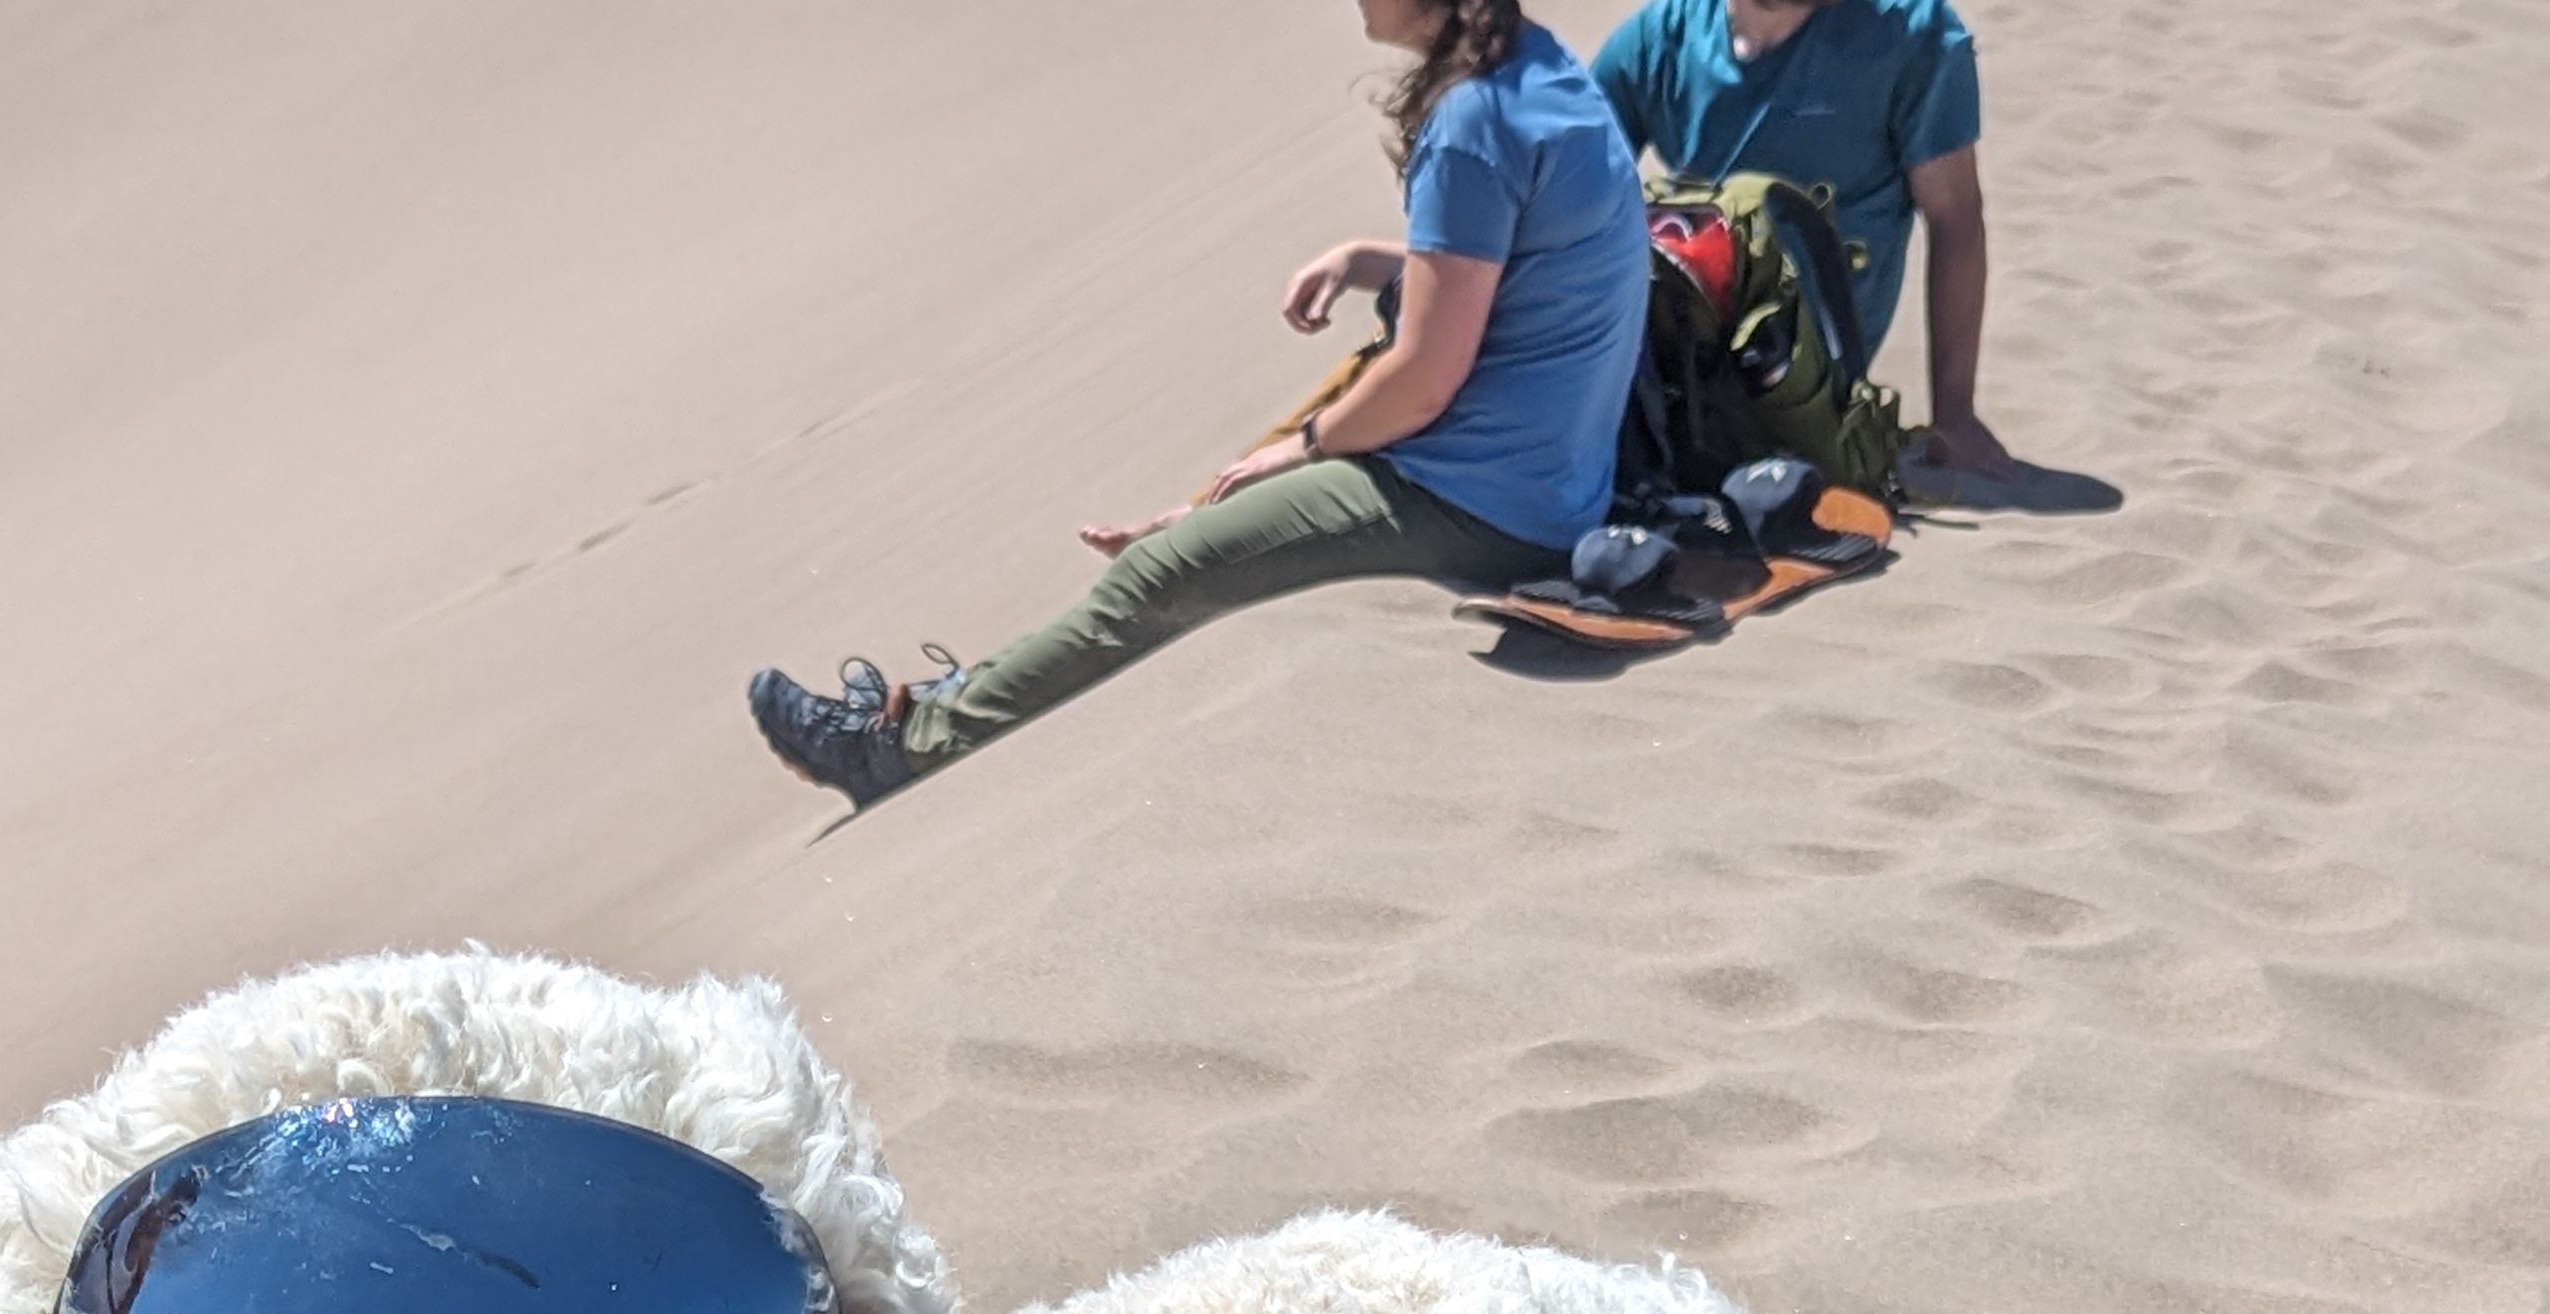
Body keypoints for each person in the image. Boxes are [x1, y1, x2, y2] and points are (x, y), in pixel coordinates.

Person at [749, 0, 1649, 807]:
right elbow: (1509, 271)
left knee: (1162, 572)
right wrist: (1369, 261)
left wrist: (1303, 446)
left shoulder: (1470, 124)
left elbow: (1423, 379)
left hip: (1484, 503)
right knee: (1217, 515)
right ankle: (961, 694)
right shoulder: (1540, 68)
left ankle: (896, 748)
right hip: (1543, 472)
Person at [1584, 0, 2011, 478]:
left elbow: (1955, 220)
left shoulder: (1912, 33)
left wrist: (1954, 416)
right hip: (1671, 363)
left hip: (1804, 395)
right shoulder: (1660, 37)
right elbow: (1564, 185)